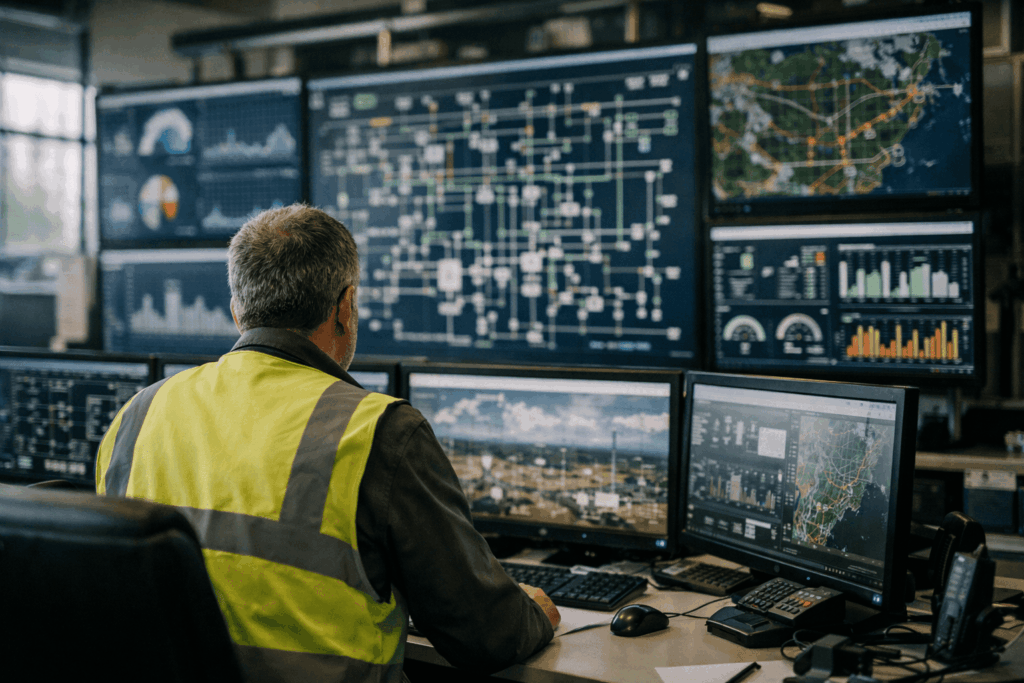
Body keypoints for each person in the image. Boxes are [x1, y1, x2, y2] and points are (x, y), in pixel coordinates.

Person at [95, 203, 559, 683]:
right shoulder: (379, 431)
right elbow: (482, 635)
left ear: (237, 312)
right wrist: (532, 619)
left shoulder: (138, 415)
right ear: (345, 306)